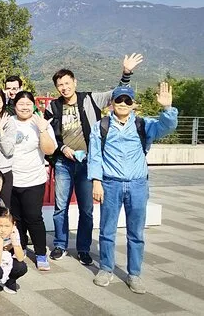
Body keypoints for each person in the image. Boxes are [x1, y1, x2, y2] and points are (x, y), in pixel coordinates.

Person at [44, 53, 143, 266]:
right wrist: (62, 148)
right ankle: (60, 244)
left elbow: (117, 94)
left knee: (86, 209)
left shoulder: (90, 99)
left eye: (67, 83)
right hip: (63, 163)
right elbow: (48, 134)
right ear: (56, 87)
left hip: (88, 163)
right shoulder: (52, 107)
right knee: (60, 207)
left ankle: (83, 248)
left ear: (75, 82)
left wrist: (126, 73)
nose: (64, 88)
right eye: (60, 85)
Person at [89, 83, 177, 294]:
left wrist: (167, 108)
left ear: (133, 104)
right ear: (112, 103)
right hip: (111, 183)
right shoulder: (101, 126)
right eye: (119, 100)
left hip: (138, 184)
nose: (123, 103)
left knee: (136, 232)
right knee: (107, 230)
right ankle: (106, 269)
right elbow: (95, 155)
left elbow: (167, 127)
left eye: (127, 100)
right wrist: (96, 181)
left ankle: (134, 274)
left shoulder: (143, 125)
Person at [10, 91, 57, 271]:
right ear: (15, 106)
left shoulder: (40, 123)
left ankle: (40, 253)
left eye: (28, 104)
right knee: (16, 218)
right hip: (12, 178)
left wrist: (43, 129)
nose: (24, 107)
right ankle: (20, 248)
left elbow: (49, 150)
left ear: (34, 106)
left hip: (33, 179)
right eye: (21, 104)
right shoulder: (9, 122)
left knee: (34, 218)